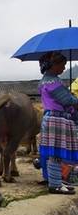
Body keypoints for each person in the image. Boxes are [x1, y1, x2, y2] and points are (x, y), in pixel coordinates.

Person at [37, 51, 77, 195]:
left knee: (55, 154)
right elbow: (67, 101)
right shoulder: (53, 82)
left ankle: (56, 182)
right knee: (56, 154)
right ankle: (55, 185)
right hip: (57, 119)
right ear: (53, 65)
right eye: (62, 65)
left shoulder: (46, 80)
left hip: (52, 118)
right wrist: (73, 98)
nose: (63, 68)